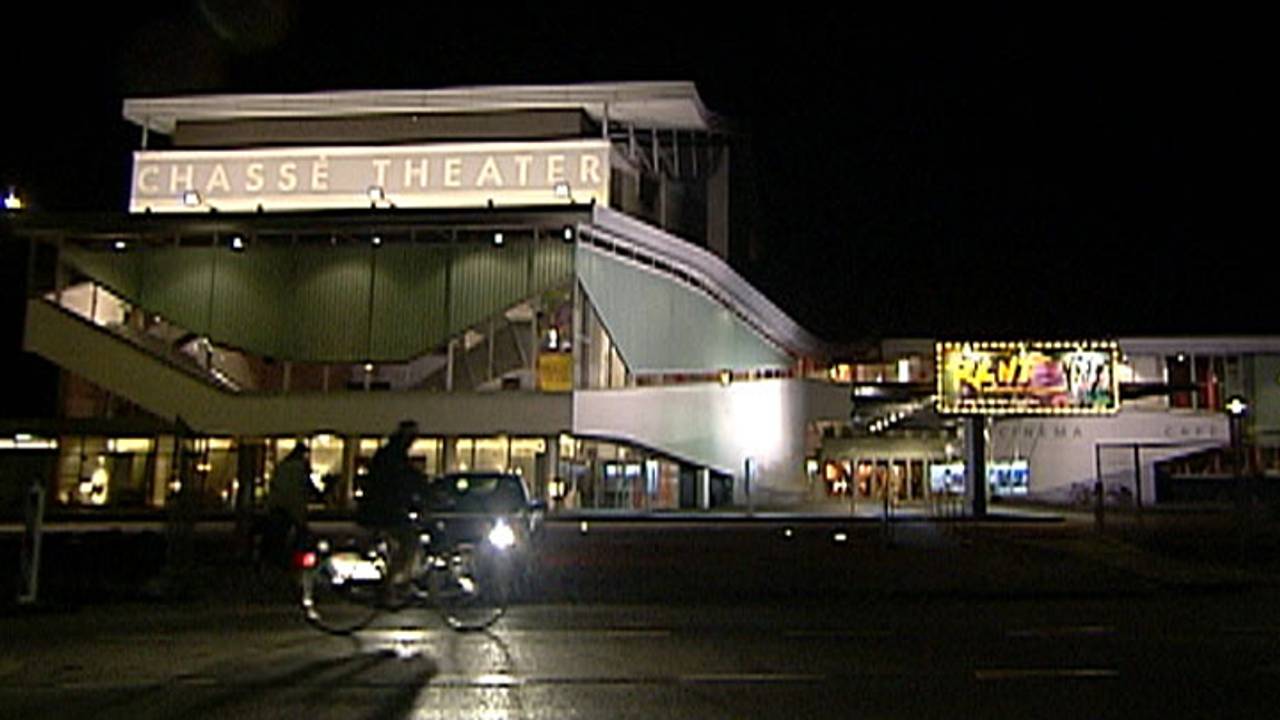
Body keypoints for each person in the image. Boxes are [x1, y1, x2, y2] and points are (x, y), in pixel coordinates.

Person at [357, 420, 425, 588]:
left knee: (400, 541)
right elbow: (402, 480)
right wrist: (422, 488)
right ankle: (390, 585)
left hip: (378, 507)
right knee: (409, 541)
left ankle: (395, 579)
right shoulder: (395, 455)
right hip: (383, 509)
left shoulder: (389, 451)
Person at [264, 442, 311, 568]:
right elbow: (302, 489)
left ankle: (274, 560)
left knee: (277, 537)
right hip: (291, 507)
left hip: (278, 506)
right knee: (297, 535)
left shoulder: (282, 466)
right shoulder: (299, 469)